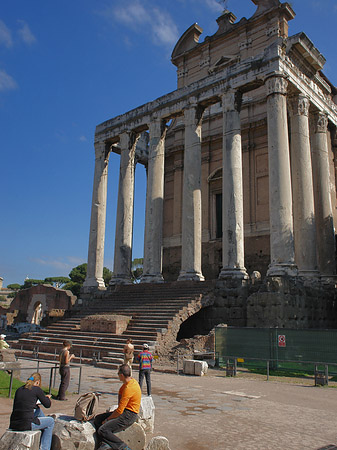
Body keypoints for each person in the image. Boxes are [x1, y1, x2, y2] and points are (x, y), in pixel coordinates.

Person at [94, 363, 141, 450]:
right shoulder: (130, 382)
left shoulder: (129, 388)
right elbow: (120, 396)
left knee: (102, 430)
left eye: (118, 374)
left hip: (129, 415)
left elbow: (119, 411)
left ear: (122, 375)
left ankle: (123, 447)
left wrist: (108, 419)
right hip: (125, 412)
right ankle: (104, 443)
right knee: (98, 419)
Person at [10, 372, 55, 450]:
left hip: (14, 423)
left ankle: (42, 429)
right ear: (37, 382)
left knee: (38, 410)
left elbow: (24, 404)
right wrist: (46, 398)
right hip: (25, 424)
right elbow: (47, 405)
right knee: (51, 421)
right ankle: (45, 448)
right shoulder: (36, 389)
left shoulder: (19, 389)